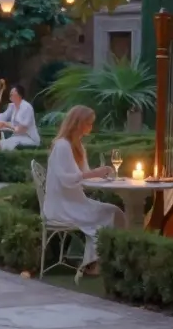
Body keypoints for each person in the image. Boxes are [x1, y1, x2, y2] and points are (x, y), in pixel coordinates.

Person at [43, 105, 125, 274]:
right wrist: (93, 173)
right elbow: (67, 179)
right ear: (78, 123)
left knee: (115, 212)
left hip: (75, 201)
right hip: (61, 206)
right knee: (110, 214)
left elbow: (84, 176)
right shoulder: (62, 146)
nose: (91, 127)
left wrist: (101, 175)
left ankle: (100, 260)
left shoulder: (78, 145)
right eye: (89, 123)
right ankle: (93, 263)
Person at [0, 84, 40, 151]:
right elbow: (2, 118)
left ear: (20, 95)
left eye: (14, 90)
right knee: (1, 143)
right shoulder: (12, 106)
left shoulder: (26, 107)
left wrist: (6, 124)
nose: (11, 92)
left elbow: (21, 129)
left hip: (29, 137)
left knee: (6, 143)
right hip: (18, 136)